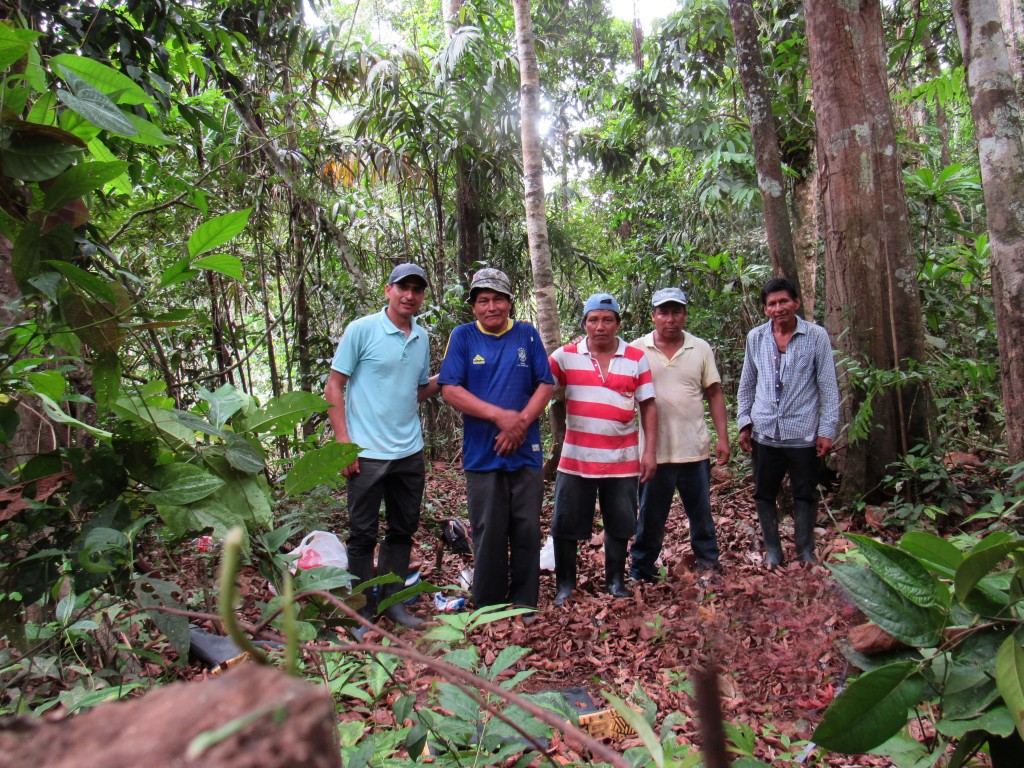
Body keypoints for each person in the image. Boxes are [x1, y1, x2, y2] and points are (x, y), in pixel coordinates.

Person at [325, 263, 440, 631]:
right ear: (388, 290)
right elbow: (334, 386)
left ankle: (393, 604)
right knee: (362, 534)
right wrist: (344, 446)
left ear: (422, 296)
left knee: (402, 530)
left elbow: (416, 390)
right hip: (367, 453)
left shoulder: (421, 338)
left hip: (408, 452)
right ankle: (361, 612)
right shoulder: (362, 330)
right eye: (403, 287)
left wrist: (449, 377)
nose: (409, 295)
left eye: (417, 290)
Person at [438, 269, 555, 612]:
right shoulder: (463, 337)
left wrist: (519, 423)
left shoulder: (527, 335)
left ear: (510, 303)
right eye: (483, 301)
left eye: (498, 300)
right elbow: (450, 389)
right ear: (473, 306)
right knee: (488, 528)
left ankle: (524, 600)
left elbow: (545, 383)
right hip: (482, 452)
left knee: (526, 527)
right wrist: (499, 417)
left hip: (526, 451)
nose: (491, 307)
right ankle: (488, 603)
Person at [548, 293, 657, 606]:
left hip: (622, 458)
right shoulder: (565, 356)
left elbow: (648, 405)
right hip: (576, 458)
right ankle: (565, 585)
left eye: (607, 319)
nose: (600, 326)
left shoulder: (635, 358)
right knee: (565, 524)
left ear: (617, 324)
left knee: (620, 522)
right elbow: (539, 385)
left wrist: (649, 452)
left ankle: (616, 582)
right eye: (593, 319)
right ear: (584, 323)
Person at [736, 277, 839, 567]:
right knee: (764, 493)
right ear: (765, 309)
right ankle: (773, 550)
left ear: (796, 303)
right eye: (772, 303)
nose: (778, 308)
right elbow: (747, 384)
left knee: (805, 493)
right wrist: (744, 423)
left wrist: (827, 430)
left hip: (802, 432)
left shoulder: (816, 336)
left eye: (784, 301)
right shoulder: (756, 337)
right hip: (764, 432)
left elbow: (828, 386)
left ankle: (805, 550)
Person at [628, 287, 730, 580]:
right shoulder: (636, 349)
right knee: (650, 515)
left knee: (701, 514)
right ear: (653, 316)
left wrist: (723, 438)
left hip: (693, 448)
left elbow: (714, 393)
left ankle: (708, 562)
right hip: (653, 453)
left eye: (676, 312)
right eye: (664, 312)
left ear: (685, 315)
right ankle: (641, 569)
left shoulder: (700, 348)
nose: (670, 319)